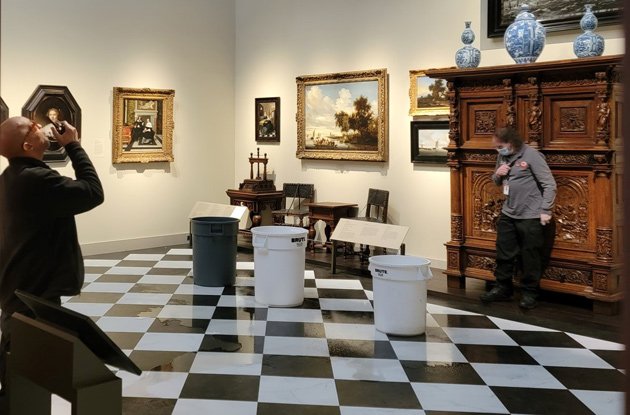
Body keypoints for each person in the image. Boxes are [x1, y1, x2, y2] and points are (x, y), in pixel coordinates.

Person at [0, 116, 104, 398]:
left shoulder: (11, 178)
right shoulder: (37, 180)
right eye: (31, 127)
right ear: (27, 143)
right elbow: (93, 192)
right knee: (28, 371)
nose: (38, 125)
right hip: (33, 293)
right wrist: (74, 146)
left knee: (22, 367)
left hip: (20, 288)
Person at [480, 127, 556, 309]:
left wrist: (546, 209)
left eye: (500, 146)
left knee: (530, 256)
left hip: (531, 215)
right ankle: (503, 288)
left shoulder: (532, 156)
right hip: (508, 212)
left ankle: (530, 293)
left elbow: (549, 184)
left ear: (511, 143)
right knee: (503, 252)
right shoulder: (502, 157)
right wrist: (497, 174)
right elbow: (497, 181)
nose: (497, 150)